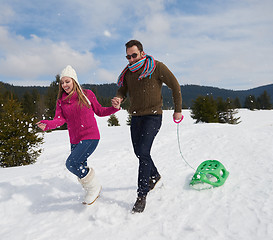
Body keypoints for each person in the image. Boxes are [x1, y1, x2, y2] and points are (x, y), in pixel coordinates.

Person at [112, 40, 182, 213]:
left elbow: (175, 86)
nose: (131, 59)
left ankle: (141, 195)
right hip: (135, 117)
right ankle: (154, 175)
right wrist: (119, 98)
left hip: (153, 116)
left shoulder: (157, 67)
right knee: (139, 153)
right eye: (128, 56)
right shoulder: (128, 72)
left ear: (142, 53)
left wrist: (178, 110)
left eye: (134, 55)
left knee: (143, 152)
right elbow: (123, 89)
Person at [37, 65, 120, 205]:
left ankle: (94, 187)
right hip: (75, 139)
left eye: (67, 81)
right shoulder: (61, 101)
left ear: (74, 81)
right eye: (62, 82)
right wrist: (48, 124)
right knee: (80, 165)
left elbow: (99, 111)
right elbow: (60, 120)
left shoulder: (87, 94)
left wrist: (114, 108)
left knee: (71, 164)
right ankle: (91, 190)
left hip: (90, 136)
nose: (64, 85)